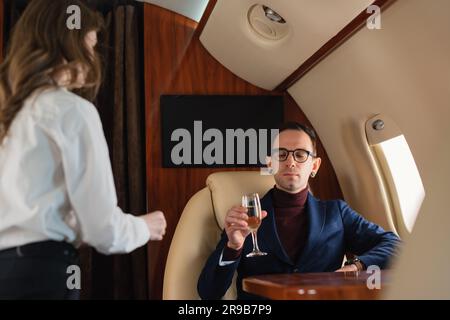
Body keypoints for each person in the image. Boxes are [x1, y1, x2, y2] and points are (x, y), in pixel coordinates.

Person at [0, 0, 166, 299]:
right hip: (43, 274)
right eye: (90, 45)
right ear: (67, 45)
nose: (93, 57)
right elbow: (101, 230)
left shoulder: (9, 113)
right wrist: (143, 227)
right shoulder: (71, 111)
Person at [198, 122, 400, 299]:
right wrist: (233, 247)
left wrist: (356, 267)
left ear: (314, 166)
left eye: (301, 154)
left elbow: (395, 246)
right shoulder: (245, 218)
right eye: (281, 154)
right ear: (270, 163)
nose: (291, 161)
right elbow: (209, 292)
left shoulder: (336, 213)